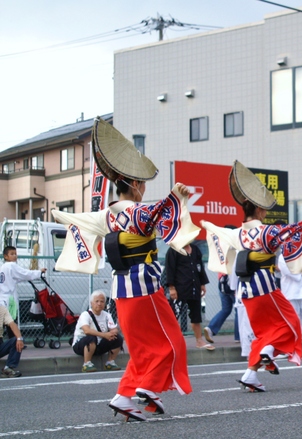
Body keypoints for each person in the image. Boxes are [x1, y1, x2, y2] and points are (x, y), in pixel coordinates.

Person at [52, 117, 197, 421]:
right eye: (142, 184)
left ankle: (124, 396)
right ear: (134, 184)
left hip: (121, 291)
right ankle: (147, 389)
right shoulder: (140, 212)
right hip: (145, 288)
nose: (145, 189)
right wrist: (177, 195)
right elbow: (160, 212)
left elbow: (76, 220)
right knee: (172, 343)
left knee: (143, 349)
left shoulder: (106, 216)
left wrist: (56, 212)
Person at [201, 160, 302, 392]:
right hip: (265, 288)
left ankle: (251, 375)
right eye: (264, 209)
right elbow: (290, 231)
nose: (266, 212)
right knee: (290, 324)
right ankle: (268, 353)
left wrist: (207, 224)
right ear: (258, 209)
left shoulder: (236, 233)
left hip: (245, 292)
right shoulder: (267, 231)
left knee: (262, 333)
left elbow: (218, 233)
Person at [165, 243, 213, 350]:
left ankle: (199, 341)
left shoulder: (195, 249)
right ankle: (169, 341)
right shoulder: (173, 250)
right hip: (179, 288)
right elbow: (170, 269)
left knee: (196, 316)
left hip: (194, 286)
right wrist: (171, 287)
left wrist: (202, 284)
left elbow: (200, 267)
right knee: (172, 316)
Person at [72, 290, 123, 372]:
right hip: (82, 345)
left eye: (102, 301)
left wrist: (112, 333)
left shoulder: (107, 315)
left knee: (117, 338)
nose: (99, 303)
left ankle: (110, 362)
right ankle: (86, 364)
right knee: (91, 337)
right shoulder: (85, 315)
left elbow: (113, 328)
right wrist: (104, 335)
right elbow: (87, 331)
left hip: (99, 345)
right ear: (91, 303)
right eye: (97, 301)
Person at [0, 246, 46, 321]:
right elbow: (25, 274)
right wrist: (39, 272)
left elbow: (18, 277)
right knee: (11, 324)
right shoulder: (11, 265)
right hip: (10, 300)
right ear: (6, 256)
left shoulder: (3, 267)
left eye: (15, 254)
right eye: (12, 254)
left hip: (2, 299)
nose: (15, 256)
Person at [0, 296, 25, 378]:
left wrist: (19, 338)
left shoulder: (2, 309)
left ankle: (8, 368)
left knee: (16, 340)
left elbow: (12, 324)